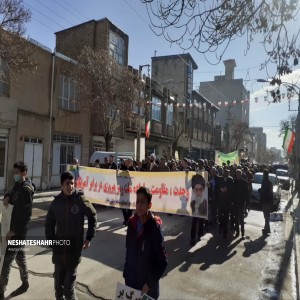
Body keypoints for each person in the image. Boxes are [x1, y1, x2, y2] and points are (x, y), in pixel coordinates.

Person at [45, 171, 97, 300]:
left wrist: (89, 237)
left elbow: (93, 215)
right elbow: (49, 223)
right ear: (61, 185)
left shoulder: (79, 200)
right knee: (58, 289)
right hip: (59, 251)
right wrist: (51, 241)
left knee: (68, 289)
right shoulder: (56, 203)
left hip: (73, 250)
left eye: (72, 183)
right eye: (67, 183)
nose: (70, 186)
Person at [123, 187, 167, 300]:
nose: (139, 205)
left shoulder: (154, 228)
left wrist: (149, 283)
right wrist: (126, 275)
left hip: (147, 290)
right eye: (137, 201)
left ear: (149, 205)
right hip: (132, 285)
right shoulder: (131, 225)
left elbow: (163, 262)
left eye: (143, 202)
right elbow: (129, 252)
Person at [0, 162, 35, 300]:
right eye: (13, 172)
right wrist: (7, 195)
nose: (14, 175)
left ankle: (1, 291)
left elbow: (25, 216)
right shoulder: (18, 185)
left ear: (23, 173)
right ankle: (25, 283)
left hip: (17, 232)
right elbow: (11, 192)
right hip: (13, 230)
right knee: (20, 258)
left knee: (6, 262)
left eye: (16, 172)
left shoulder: (26, 189)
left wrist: (13, 231)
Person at [216, 168, 234, 239]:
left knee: (226, 217)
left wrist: (227, 189)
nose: (225, 173)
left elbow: (232, 190)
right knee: (220, 217)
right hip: (220, 202)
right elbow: (216, 188)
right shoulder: (219, 179)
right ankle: (220, 227)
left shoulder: (230, 180)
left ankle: (225, 232)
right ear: (223, 172)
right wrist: (220, 189)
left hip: (227, 202)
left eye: (227, 172)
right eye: (224, 172)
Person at [190, 174, 207, 245]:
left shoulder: (205, 176)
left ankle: (199, 235)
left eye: (200, 189)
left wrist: (208, 185)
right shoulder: (193, 177)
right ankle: (192, 238)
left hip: (202, 205)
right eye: (196, 189)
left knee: (201, 221)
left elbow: (207, 187)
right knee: (194, 221)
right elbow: (188, 186)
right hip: (195, 204)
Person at [233, 169, 249, 239]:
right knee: (236, 218)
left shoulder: (244, 183)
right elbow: (232, 192)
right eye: (237, 174)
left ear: (241, 174)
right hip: (235, 203)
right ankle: (237, 232)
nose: (238, 175)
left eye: (239, 174)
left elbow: (247, 194)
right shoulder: (234, 181)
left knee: (241, 219)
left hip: (242, 203)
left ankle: (242, 233)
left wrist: (247, 203)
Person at [259, 169, 273, 235]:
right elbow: (271, 193)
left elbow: (263, 191)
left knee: (266, 216)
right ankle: (267, 228)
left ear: (265, 175)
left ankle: (267, 229)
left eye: (263, 174)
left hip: (265, 201)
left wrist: (260, 190)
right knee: (267, 215)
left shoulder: (264, 182)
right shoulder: (270, 182)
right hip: (268, 201)